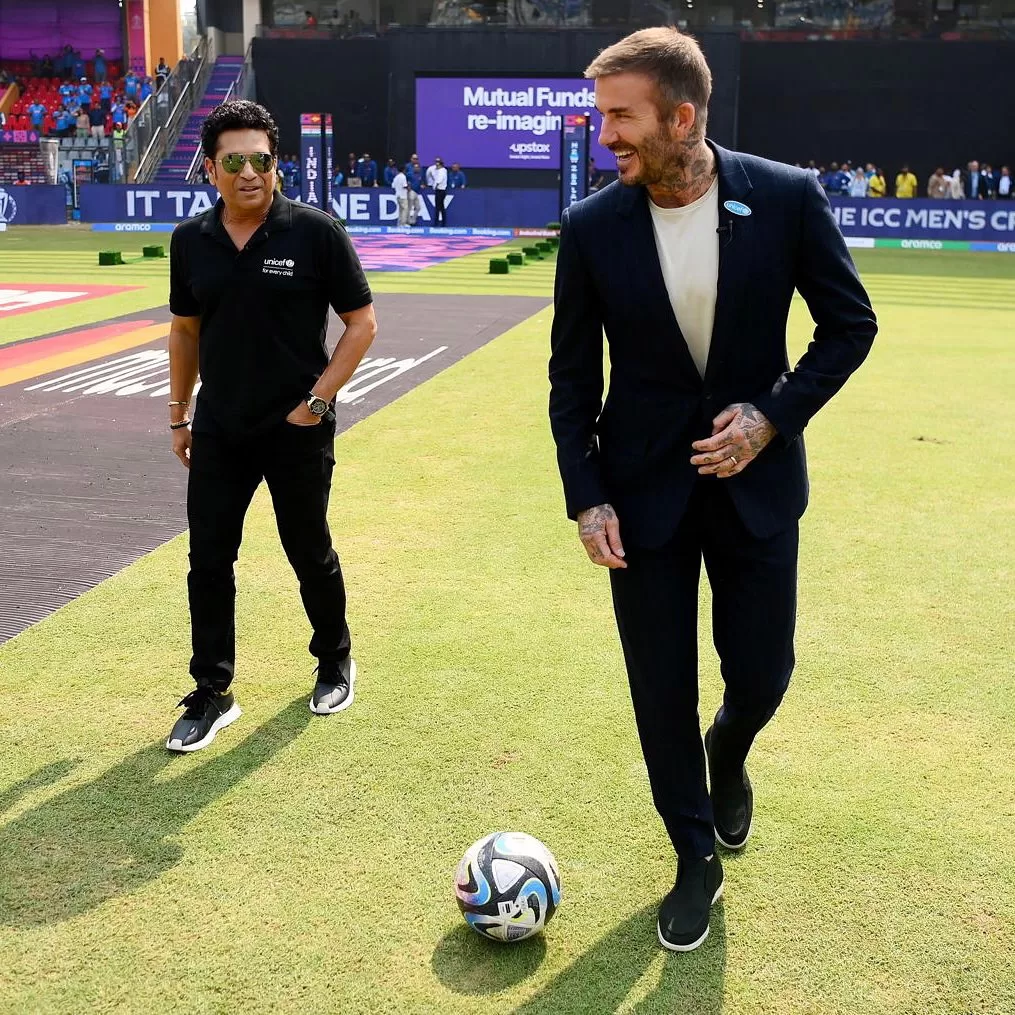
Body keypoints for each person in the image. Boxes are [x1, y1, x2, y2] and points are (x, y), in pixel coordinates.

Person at [548, 27, 876, 954]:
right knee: (660, 688)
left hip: (757, 485)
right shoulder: (590, 226)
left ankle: (727, 752)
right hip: (639, 495)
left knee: (762, 675)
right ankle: (693, 855)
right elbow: (571, 382)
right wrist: (587, 495)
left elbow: (849, 324)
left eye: (621, 114)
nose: (603, 131)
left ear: (680, 116)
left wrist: (770, 416)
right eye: (601, 112)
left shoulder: (783, 197)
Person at [165, 100, 377, 752]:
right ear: (211, 168)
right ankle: (213, 690)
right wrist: (178, 413)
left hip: (296, 428)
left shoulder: (314, 232)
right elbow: (185, 330)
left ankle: (334, 659)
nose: (250, 171)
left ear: (276, 164)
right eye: (235, 160)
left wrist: (314, 402)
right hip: (221, 427)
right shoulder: (190, 240)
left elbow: (361, 324)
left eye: (262, 159)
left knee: (308, 550)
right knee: (208, 561)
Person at [427, 156, 448, 225]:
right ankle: (443, 223)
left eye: (437, 165)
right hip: (441, 191)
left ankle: (436, 223)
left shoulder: (442, 171)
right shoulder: (442, 171)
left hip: (440, 191)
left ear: (440, 165)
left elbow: (439, 180)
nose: (436, 166)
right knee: (441, 207)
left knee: (438, 207)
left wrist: (435, 186)